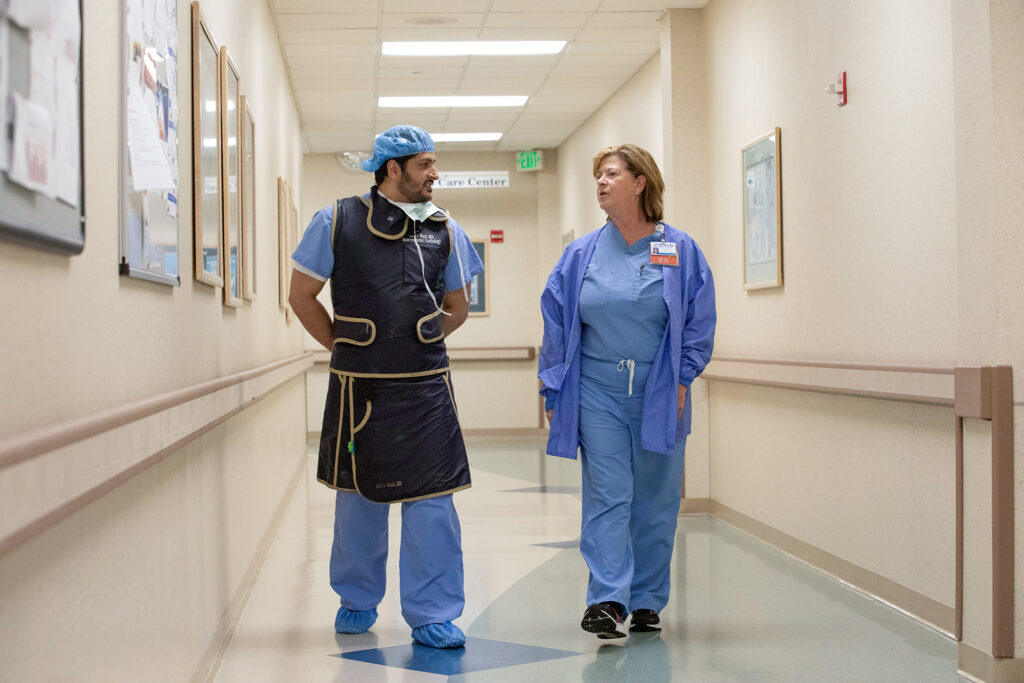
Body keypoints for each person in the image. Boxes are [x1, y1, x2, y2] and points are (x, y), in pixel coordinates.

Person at [289, 125, 484, 649]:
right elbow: (302, 294)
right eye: (426, 165)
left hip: (425, 390)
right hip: (360, 389)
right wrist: (343, 344)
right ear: (393, 169)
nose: (435, 174)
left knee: (433, 505)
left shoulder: (447, 228)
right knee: (358, 499)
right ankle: (356, 598)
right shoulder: (335, 222)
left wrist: (417, 341)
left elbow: (458, 306)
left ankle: (434, 613)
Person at [538, 144, 716, 639]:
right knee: (608, 494)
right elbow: (555, 323)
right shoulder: (581, 255)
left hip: (661, 389)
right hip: (597, 388)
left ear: (640, 183)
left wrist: (683, 377)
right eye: (598, 175)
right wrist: (553, 390)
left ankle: (647, 600)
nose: (600, 182)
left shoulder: (679, 249)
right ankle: (608, 599)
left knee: (655, 499)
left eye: (611, 174)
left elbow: (700, 320)